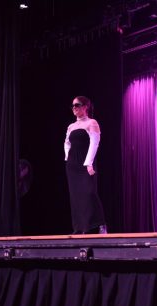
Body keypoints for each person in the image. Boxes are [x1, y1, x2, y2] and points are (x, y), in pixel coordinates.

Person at [64, 96, 107, 234]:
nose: (74, 108)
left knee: (89, 193)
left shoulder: (92, 122)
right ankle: (79, 228)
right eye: (73, 106)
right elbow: (67, 142)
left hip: (86, 162)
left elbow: (94, 143)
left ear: (85, 106)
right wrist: (67, 158)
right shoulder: (71, 126)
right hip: (72, 165)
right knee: (76, 196)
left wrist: (89, 163)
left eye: (77, 105)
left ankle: (101, 224)